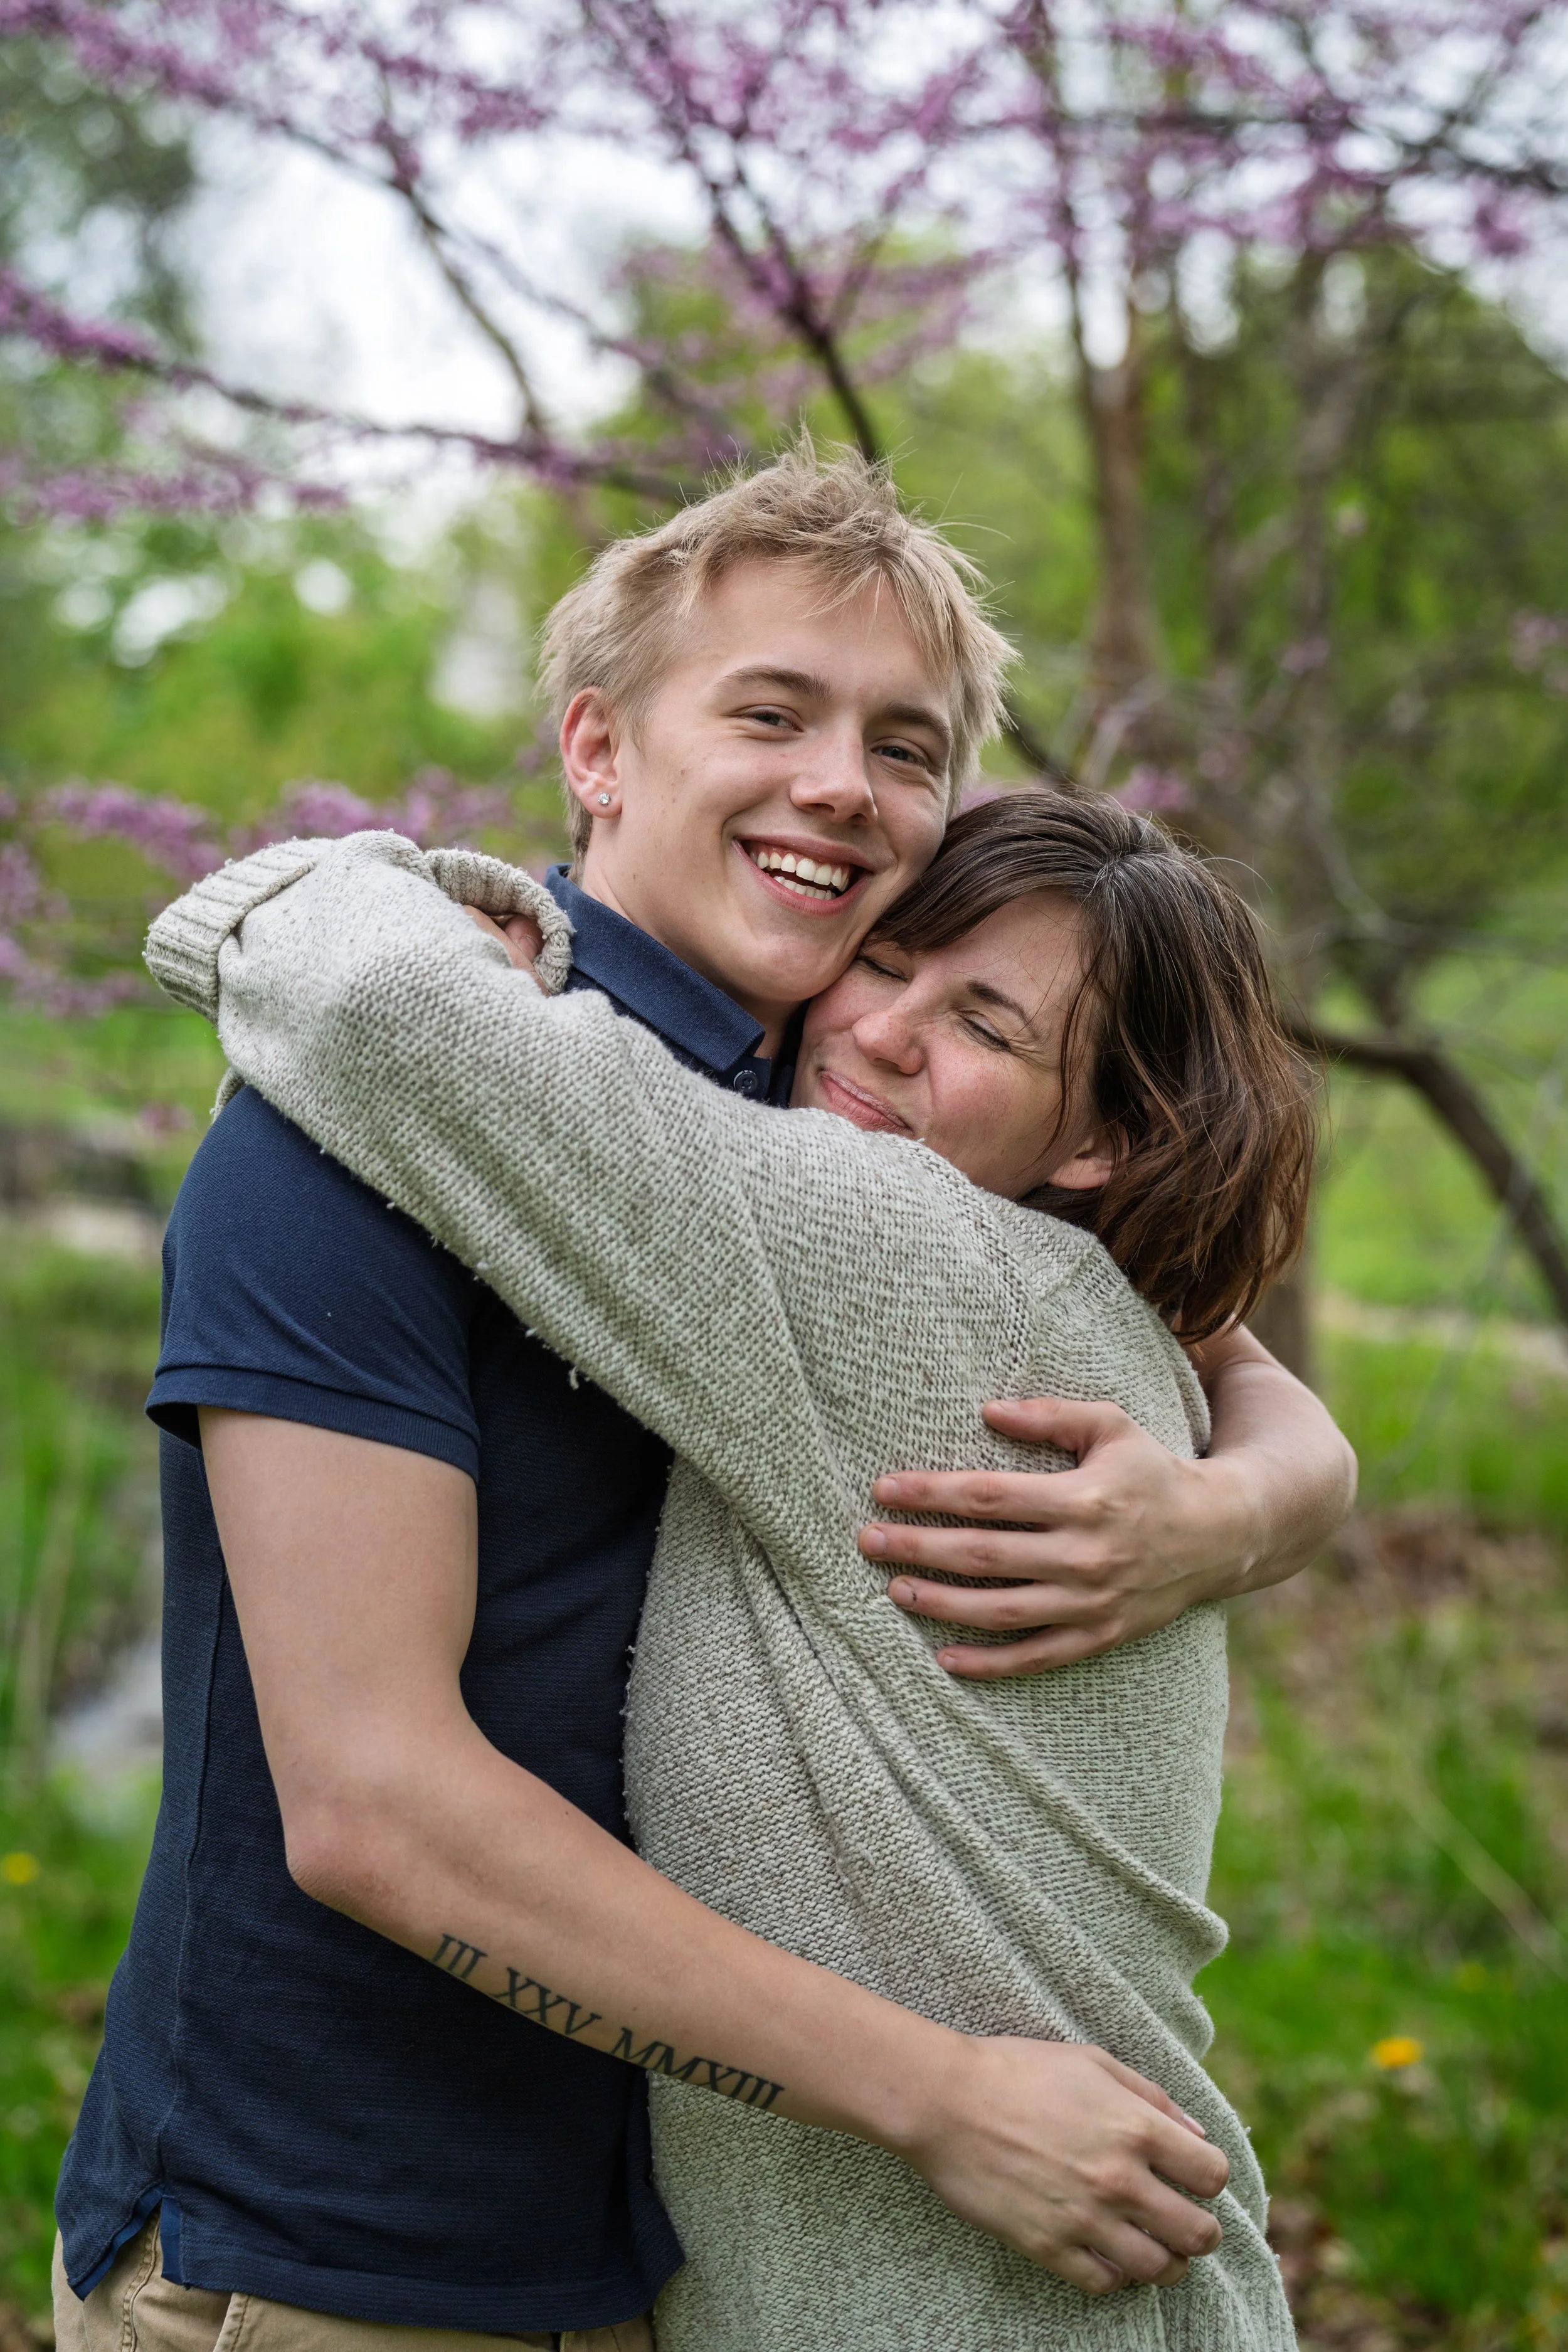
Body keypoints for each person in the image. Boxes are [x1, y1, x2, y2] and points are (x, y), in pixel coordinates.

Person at [56, 448, 1350, 2352]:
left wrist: (1252, 1495)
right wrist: (938, 2090)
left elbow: (1191, 1330)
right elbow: (374, 1803)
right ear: (596, 747)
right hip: (338, 2259)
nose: (842, 780)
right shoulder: (355, 1144)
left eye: (904, 747)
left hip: (682, 2262)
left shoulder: (828, 1135)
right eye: (771, 710)